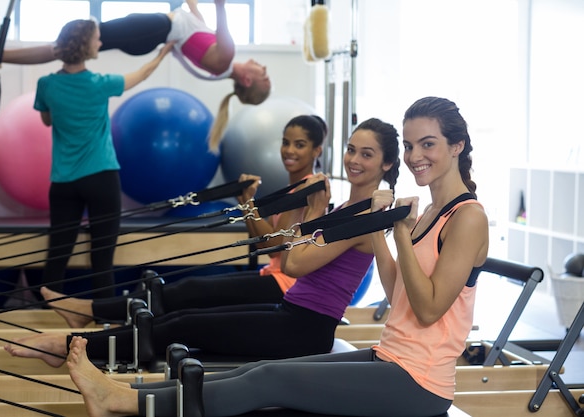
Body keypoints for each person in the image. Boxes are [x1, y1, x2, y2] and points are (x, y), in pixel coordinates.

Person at [63, 96, 489, 417]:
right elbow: (398, 295)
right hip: (391, 356)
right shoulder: (428, 211)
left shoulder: (467, 218)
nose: (417, 157)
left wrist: (394, 230)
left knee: (268, 378)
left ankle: (121, 400)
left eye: (428, 144)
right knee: (256, 369)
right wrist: (380, 229)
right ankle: (123, 397)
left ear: (457, 146)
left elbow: (430, 309)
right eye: (412, 145)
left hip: (420, 380)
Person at [3, 117, 401, 368]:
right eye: (351, 149)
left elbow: (294, 264)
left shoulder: (364, 217)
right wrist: (250, 203)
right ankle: (78, 337)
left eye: (367, 154)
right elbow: (280, 246)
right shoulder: (343, 208)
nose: (354, 160)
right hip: (290, 310)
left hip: (307, 328)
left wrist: (313, 209)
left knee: (185, 318)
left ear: (385, 164)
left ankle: (71, 344)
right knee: (178, 317)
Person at [40, 114, 328, 328]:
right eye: (286, 142)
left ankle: (90, 311)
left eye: (300, 145)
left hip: (286, 285)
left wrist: (249, 202)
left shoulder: (306, 188)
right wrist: (244, 199)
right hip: (274, 277)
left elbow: (275, 244)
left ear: (316, 150)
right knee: (185, 293)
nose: (289, 151)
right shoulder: (294, 187)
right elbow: (260, 244)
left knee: (189, 292)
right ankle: (93, 312)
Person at [0, 0, 271, 151]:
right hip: (151, 30)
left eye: (264, 75)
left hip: (153, 29)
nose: (263, 68)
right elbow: (196, 18)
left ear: (247, 81)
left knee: (67, 44)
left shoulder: (225, 58)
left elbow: (219, 8)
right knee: (66, 45)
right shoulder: (218, 62)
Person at [37, 19, 172, 299]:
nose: (100, 43)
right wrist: (163, 52)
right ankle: (104, 324)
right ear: (86, 47)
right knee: (102, 255)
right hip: (101, 177)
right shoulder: (102, 84)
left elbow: (47, 119)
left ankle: (46, 319)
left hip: (63, 182)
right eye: (97, 39)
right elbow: (143, 73)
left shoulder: (46, 85)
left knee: (58, 253)